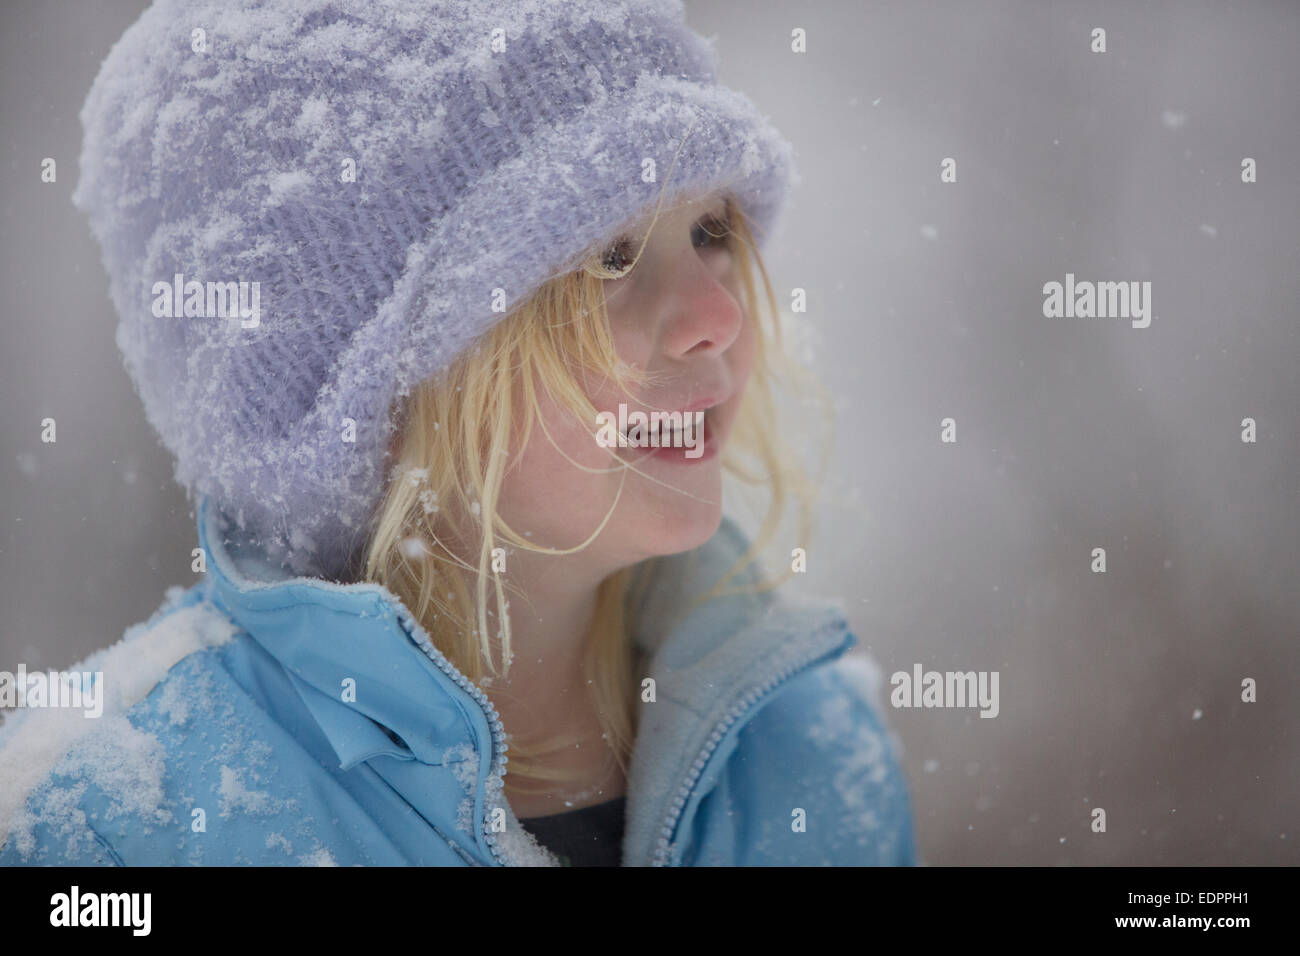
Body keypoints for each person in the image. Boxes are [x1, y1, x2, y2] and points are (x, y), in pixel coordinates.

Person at [0, 0, 918, 866]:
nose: (715, 313)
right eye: (610, 255)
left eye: (711, 229)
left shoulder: (808, 749)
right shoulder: (117, 824)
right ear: (365, 390)